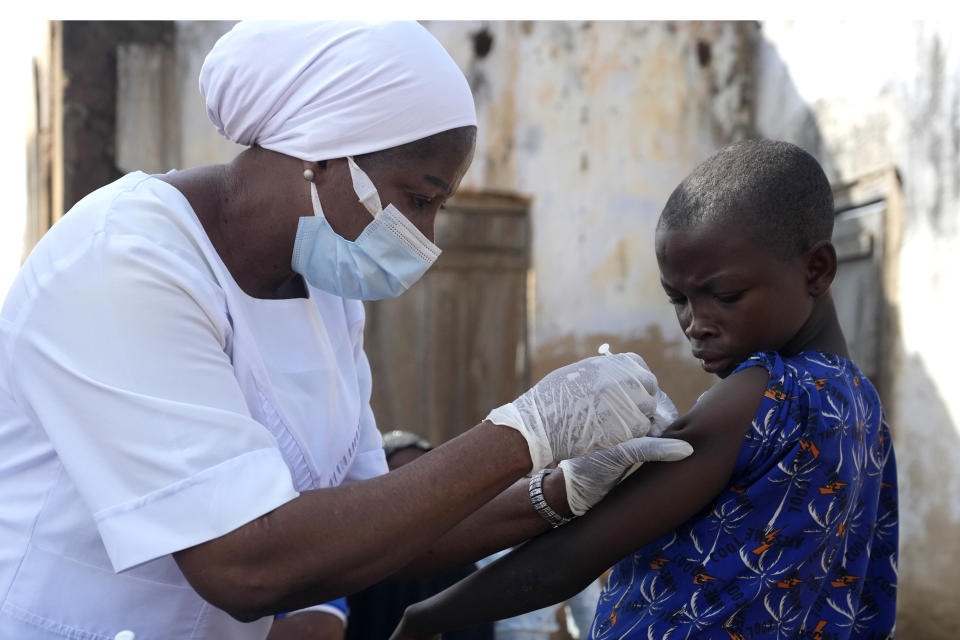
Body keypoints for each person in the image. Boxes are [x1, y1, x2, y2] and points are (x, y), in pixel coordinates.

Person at [0, 21, 694, 640]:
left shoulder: (323, 288)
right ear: (324, 155)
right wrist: (525, 433)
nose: (425, 237)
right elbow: (241, 564)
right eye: (418, 199)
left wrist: (558, 492)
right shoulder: (126, 264)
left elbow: (384, 527)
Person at [389, 139, 899, 639]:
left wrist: (423, 618)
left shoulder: (761, 394)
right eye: (678, 298)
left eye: (724, 295)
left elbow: (565, 562)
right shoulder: (863, 409)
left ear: (817, 269)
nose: (695, 323)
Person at [344, 431, 493, 640]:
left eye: (426, 475)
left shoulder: (462, 564)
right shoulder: (346, 563)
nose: (413, 488)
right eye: (398, 473)